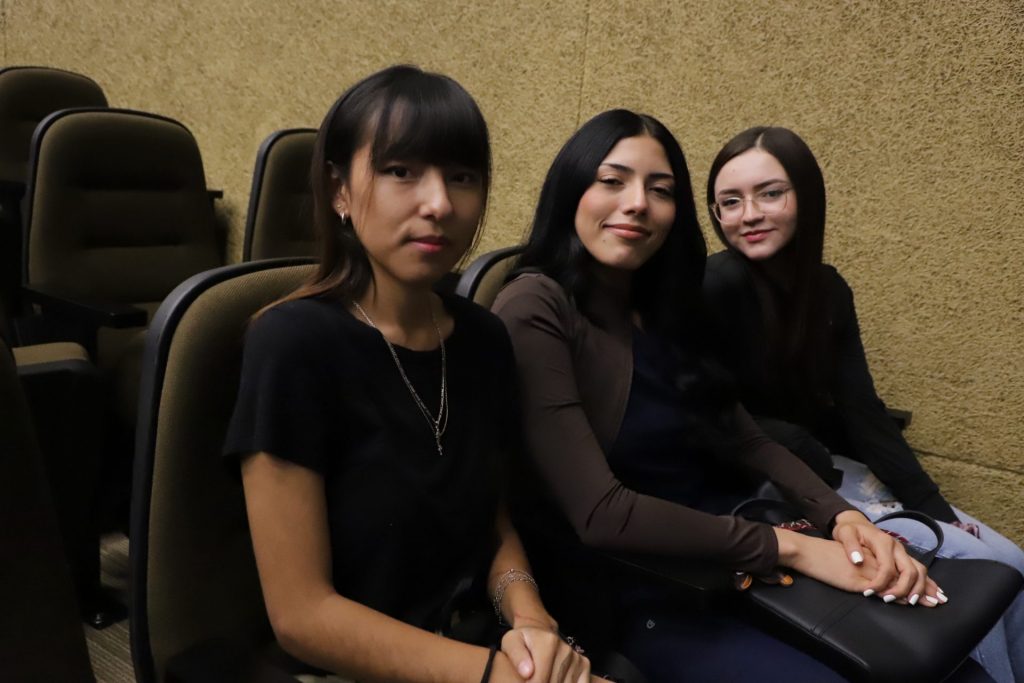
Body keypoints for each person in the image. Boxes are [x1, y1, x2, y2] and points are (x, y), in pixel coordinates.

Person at [491, 109, 944, 683]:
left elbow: (747, 439)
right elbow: (601, 513)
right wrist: (794, 548)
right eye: (612, 181)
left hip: (734, 549)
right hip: (643, 585)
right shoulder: (535, 305)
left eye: (661, 190)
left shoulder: (664, 306)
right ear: (571, 190)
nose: (638, 203)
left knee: (941, 653)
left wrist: (844, 518)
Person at [224, 65, 601, 683]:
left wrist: (532, 622)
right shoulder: (291, 344)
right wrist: (496, 675)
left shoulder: (483, 338)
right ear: (339, 190)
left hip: (470, 643)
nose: (440, 204)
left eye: (462, 177)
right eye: (401, 172)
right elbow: (302, 615)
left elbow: (492, 522)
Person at [702, 125, 1024, 683]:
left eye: (770, 193)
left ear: (806, 196)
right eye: (730, 202)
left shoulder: (826, 289)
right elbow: (704, 415)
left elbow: (863, 411)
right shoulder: (715, 282)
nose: (748, 214)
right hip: (761, 488)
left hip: (826, 469)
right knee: (963, 577)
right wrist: (801, 452)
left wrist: (936, 508)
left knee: (1009, 563)